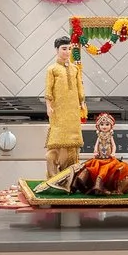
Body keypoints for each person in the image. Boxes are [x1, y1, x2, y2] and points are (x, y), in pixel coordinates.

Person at [42, 33, 85, 178]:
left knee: (72, 142)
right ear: (57, 50)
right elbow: (48, 90)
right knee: (57, 139)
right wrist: (48, 105)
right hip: (58, 110)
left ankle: (70, 175)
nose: (67, 52)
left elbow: (79, 87)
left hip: (73, 110)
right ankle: (53, 176)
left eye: (69, 49)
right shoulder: (52, 69)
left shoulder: (75, 69)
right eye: (64, 49)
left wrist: (82, 101)